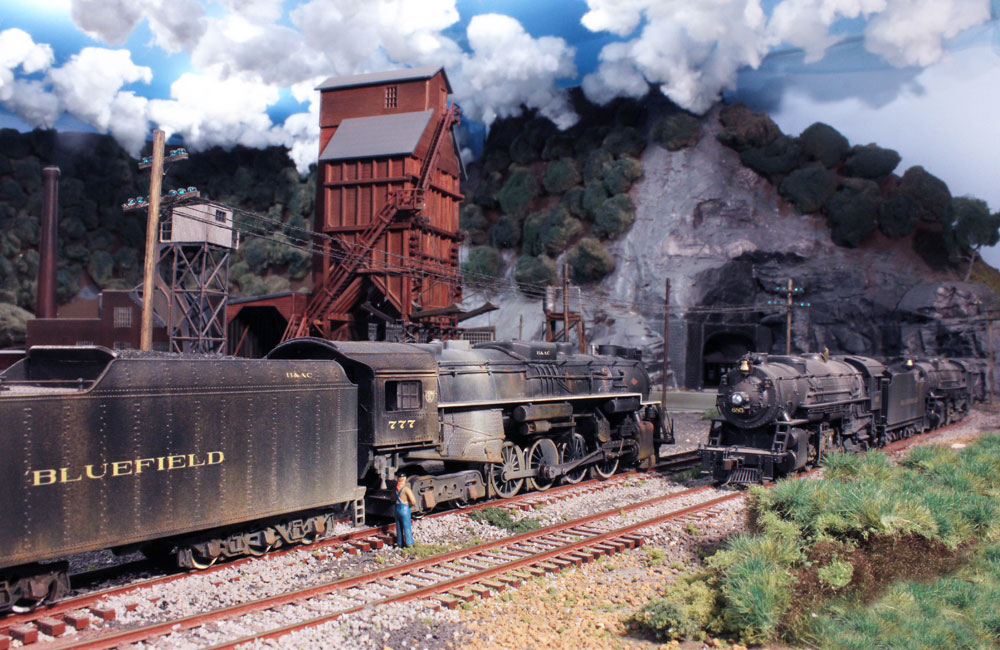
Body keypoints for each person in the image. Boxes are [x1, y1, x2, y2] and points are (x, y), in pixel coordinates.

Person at [394, 475, 416, 548]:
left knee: (399, 527)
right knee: (407, 526)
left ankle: (400, 543)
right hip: (405, 509)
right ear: (404, 479)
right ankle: (409, 543)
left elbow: (391, 498)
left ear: (397, 479)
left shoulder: (395, 489)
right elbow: (413, 501)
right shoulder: (406, 489)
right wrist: (407, 504)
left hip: (397, 509)